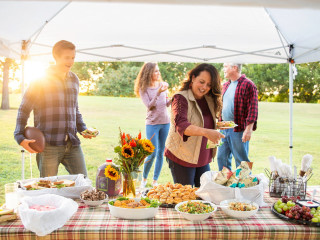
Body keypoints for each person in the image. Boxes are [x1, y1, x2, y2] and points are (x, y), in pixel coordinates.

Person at [14, 40, 96, 177]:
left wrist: (83, 129)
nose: (70, 61)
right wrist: (19, 136)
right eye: (67, 57)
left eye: (73, 57)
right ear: (56, 57)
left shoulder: (74, 79)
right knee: (48, 188)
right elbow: (24, 108)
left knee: (84, 183)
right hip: (49, 145)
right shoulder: (40, 79)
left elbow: (74, 109)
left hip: (72, 144)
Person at [164, 63, 225, 187]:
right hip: (182, 157)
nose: (204, 87)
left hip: (202, 157)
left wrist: (216, 125)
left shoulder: (209, 99)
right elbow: (181, 125)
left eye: (209, 84)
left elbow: (202, 121)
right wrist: (207, 132)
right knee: (186, 198)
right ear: (193, 78)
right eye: (201, 82)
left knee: (204, 194)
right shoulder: (180, 98)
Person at [134, 62, 171, 188]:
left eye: (158, 71)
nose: (158, 73)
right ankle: (144, 178)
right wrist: (159, 92)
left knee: (161, 152)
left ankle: (155, 181)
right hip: (152, 124)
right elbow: (150, 106)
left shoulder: (162, 85)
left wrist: (173, 98)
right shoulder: (143, 88)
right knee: (152, 152)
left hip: (165, 122)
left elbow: (166, 103)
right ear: (148, 72)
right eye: (155, 71)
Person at [217, 63, 258, 171]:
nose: (224, 69)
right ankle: (226, 184)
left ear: (234, 67)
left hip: (238, 128)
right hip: (224, 127)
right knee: (221, 158)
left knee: (241, 160)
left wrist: (248, 130)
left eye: (226, 66)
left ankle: (244, 186)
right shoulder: (225, 85)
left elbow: (253, 109)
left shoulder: (248, 84)